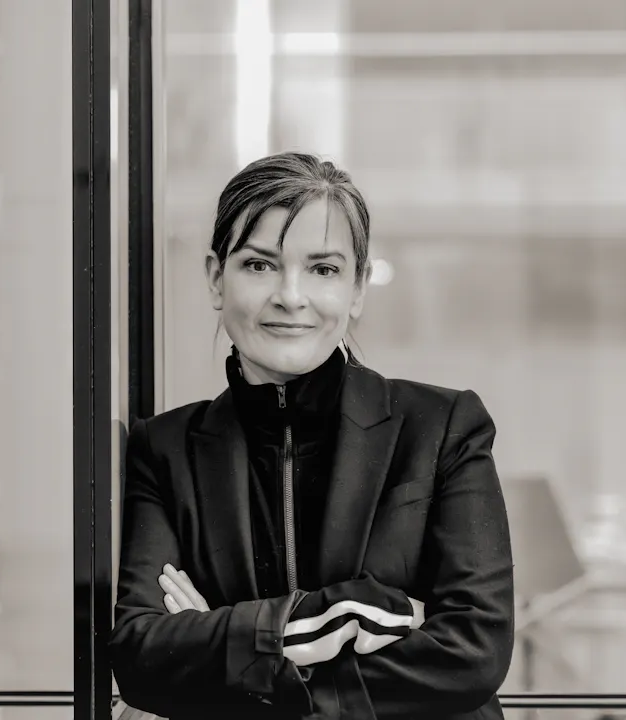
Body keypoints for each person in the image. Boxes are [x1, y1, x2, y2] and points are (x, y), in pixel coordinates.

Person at [110, 151, 514, 719]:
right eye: (259, 265)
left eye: (323, 269)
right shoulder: (163, 450)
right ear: (214, 278)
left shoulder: (444, 428)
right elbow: (140, 658)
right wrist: (353, 612)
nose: (290, 297)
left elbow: (473, 653)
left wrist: (237, 649)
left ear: (358, 288)